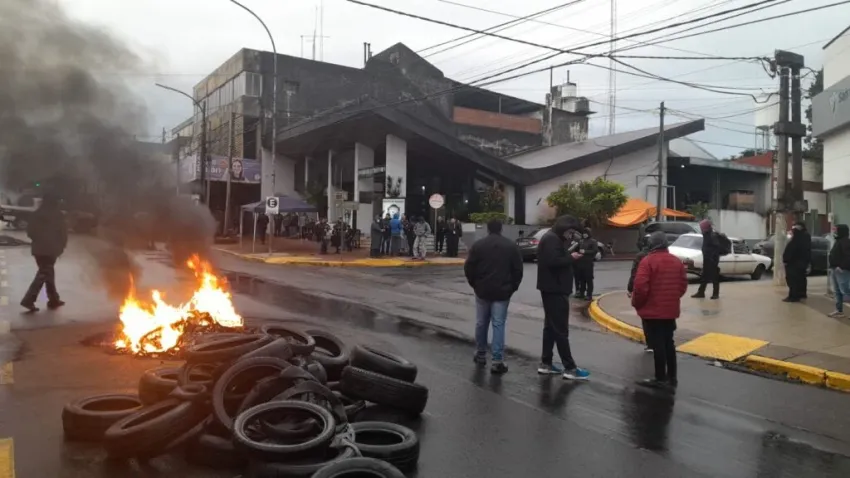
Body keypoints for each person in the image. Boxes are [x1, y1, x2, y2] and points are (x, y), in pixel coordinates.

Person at [465, 219, 523, 374]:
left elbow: (469, 267)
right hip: (502, 292)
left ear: (488, 229)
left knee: (481, 323)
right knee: (498, 324)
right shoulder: (510, 246)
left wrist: (475, 284)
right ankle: (497, 360)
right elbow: (518, 269)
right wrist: (512, 287)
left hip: (482, 290)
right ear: (501, 229)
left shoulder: (479, 245)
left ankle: (481, 354)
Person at [631, 231, 688, 389]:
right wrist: (672, 298)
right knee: (669, 342)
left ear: (652, 244)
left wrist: (637, 303)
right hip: (670, 311)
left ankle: (660, 377)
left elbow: (640, 287)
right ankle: (672, 376)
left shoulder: (647, 261)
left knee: (658, 345)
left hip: (652, 311)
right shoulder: (676, 261)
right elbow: (682, 285)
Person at [536, 214, 590, 380]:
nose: (571, 235)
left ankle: (546, 363)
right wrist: (571, 258)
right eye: (570, 231)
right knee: (560, 329)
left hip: (551, 288)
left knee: (551, 328)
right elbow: (554, 261)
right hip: (555, 289)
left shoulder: (551, 238)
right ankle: (570, 367)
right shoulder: (552, 239)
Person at [21, 193, 68, 312]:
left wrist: (39, 240)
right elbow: (63, 233)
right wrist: (61, 246)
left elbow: (30, 232)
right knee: (43, 274)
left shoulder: (36, 215)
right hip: (51, 249)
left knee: (48, 273)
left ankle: (53, 299)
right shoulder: (58, 215)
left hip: (38, 250)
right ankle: (28, 300)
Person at [627, 243, 653, 354]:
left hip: (645, 291)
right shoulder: (664, 257)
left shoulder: (641, 256)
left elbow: (634, 274)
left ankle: (651, 344)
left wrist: (630, 288)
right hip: (659, 292)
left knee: (647, 318)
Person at [692, 219, 721, 299]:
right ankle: (701, 292)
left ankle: (715, 294)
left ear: (705, 227)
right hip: (707, 259)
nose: (701, 229)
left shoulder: (712, 235)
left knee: (714, 277)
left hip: (712, 260)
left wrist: (712, 258)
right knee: (704, 277)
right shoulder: (706, 234)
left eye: (701, 227)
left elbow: (716, 248)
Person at [783, 222, 812, 302]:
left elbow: (791, 251)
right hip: (801, 263)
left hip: (794, 263)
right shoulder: (805, 237)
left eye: (794, 229)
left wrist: (786, 260)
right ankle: (801, 294)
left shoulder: (797, 239)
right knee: (801, 279)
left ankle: (793, 296)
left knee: (793, 280)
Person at [828, 224, 850, 318]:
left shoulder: (845, 242)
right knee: (837, 291)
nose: (835, 232)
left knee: (845, 290)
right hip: (835, 268)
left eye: (836, 230)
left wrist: (841, 266)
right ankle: (839, 310)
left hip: (842, 270)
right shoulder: (838, 241)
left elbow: (848, 256)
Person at [574, 227, 597, 300]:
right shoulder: (581, 241)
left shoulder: (593, 241)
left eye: (586, 233)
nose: (584, 235)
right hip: (580, 262)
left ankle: (589, 294)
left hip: (588, 263)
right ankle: (581, 293)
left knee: (589, 279)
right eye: (583, 233)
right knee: (581, 279)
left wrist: (585, 252)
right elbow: (577, 249)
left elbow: (595, 251)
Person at [826, 225, 838, 298]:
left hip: (839, 264)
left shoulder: (842, 241)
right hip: (832, 262)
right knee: (833, 278)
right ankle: (835, 292)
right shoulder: (829, 238)